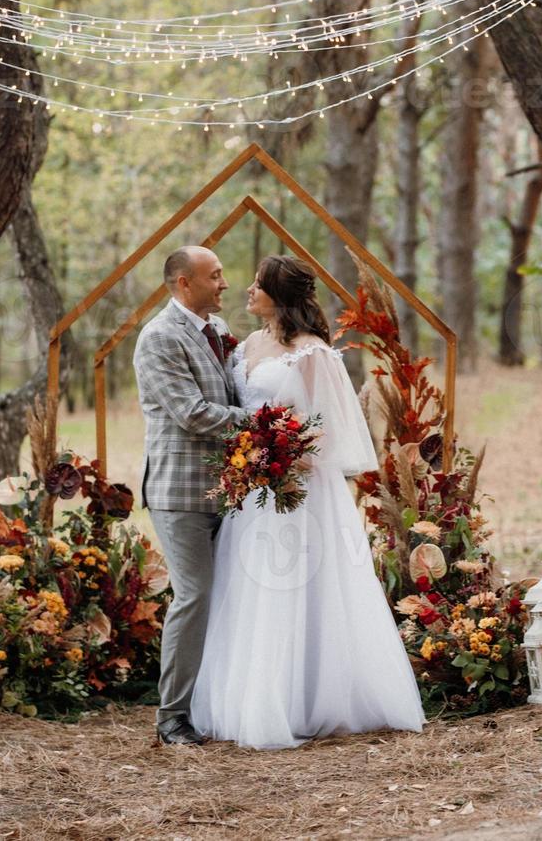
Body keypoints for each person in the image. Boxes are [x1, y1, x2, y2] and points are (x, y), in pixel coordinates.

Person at [189, 254, 424, 749]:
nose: (246, 290)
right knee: (249, 589)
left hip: (299, 487)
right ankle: (254, 697)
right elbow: (239, 410)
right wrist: (251, 459)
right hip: (252, 487)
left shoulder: (313, 351)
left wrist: (287, 454)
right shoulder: (247, 344)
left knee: (300, 587)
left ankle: (312, 697)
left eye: (258, 284)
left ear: (281, 294)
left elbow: (327, 427)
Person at [133, 245, 249, 746]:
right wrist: (269, 423)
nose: (224, 283)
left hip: (231, 489)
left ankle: (216, 703)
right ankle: (172, 717)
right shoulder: (158, 337)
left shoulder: (219, 333)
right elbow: (194, 413)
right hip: (179, 492)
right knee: (194, 595)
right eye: (215, 275)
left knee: (227, 597)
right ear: (184, 282)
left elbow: (235, 392)